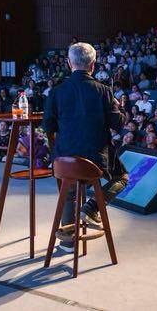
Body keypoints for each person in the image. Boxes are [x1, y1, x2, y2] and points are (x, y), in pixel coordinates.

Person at [42, 42, 128, 249]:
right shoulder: (104, 91)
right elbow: (119, 125)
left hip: (64, 160)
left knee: (70, 189)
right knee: (122, 177)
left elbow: (48, 126)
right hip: (94, 161)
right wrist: (120, 108)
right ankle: (91, 207)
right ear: (93, 65)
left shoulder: (56, 92)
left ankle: (68, 242)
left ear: (69, 63)